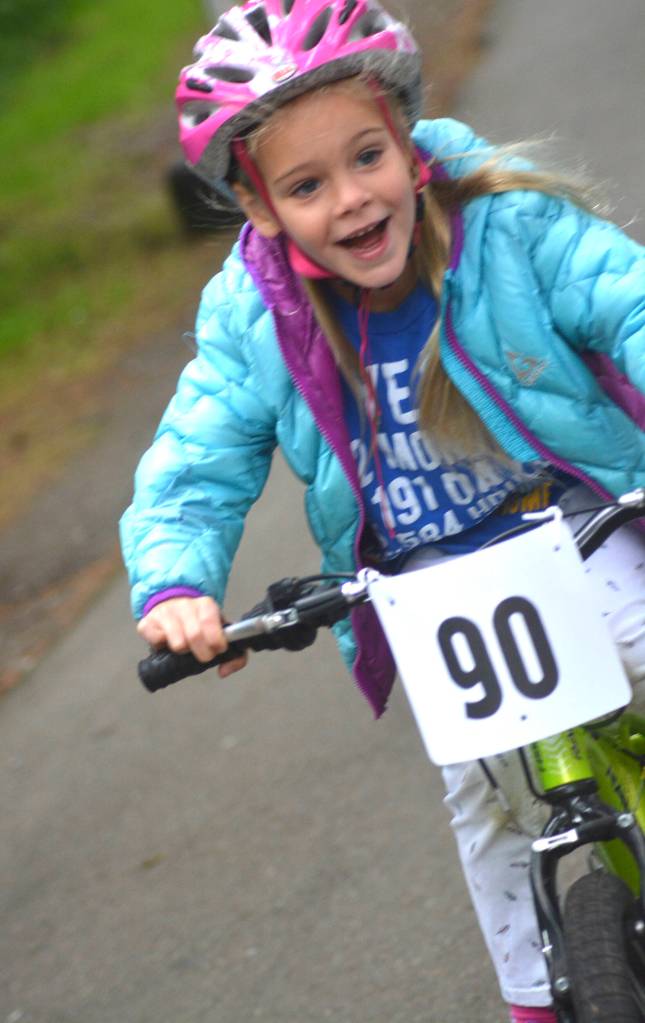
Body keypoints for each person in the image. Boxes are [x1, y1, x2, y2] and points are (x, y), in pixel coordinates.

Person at [120, 1, 645, 1019]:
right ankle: (540, 1000)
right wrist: (180, 584)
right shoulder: (251, 314)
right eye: (308, 185)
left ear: (407, 144)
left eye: (367, 158)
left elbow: (628, 303)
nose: (352, 199)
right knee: (486, 805)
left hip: (575, 527)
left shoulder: (507, 224)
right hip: (430, 588)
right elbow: (198, 454)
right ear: (259, 203)